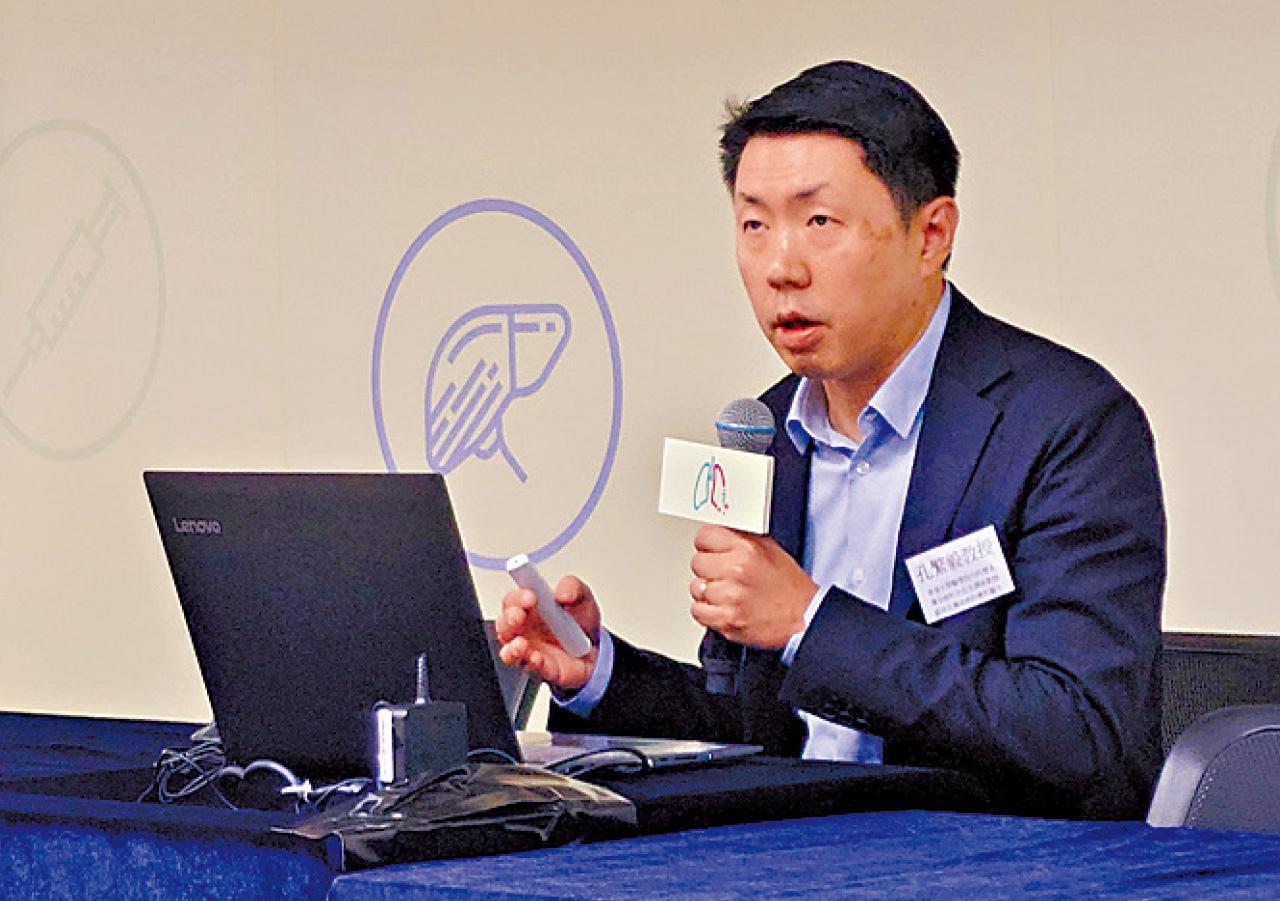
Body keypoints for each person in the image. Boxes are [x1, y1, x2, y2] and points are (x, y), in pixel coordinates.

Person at [498, 60, 1165, 820]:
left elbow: (1077, 731)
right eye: (754, 225)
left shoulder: (1065, 424)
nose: (781, 267)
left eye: (819, 222)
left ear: (931, 236)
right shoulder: (764, 432)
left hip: (998, 859)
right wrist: (599, 672)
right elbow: (755, 732)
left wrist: (810, 622)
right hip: (800, 855)